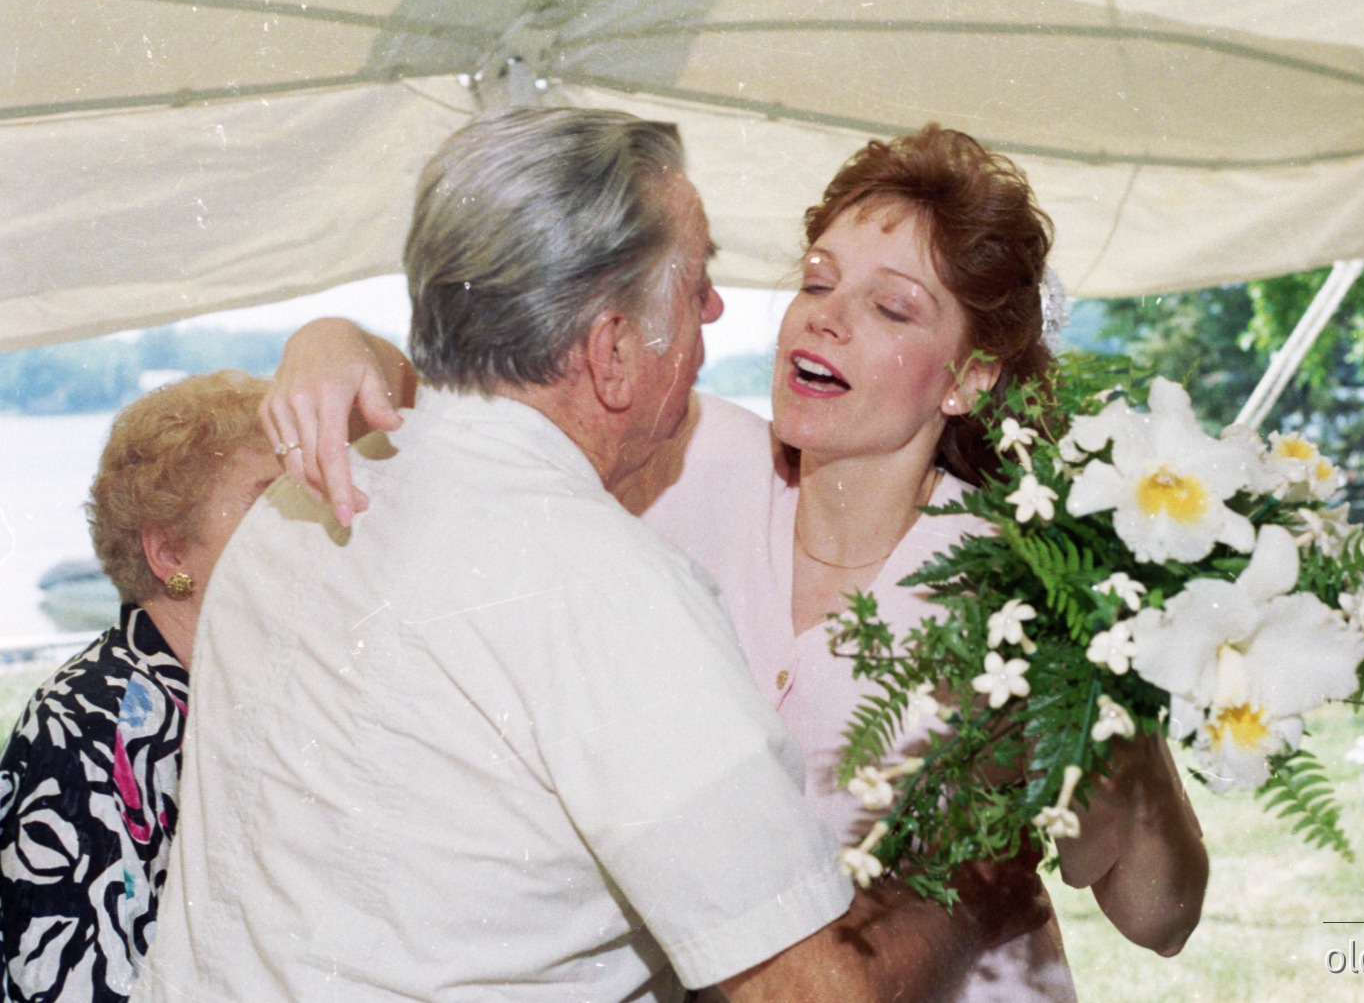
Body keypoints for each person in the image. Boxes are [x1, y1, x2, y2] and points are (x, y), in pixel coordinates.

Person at [268, 123, 1211, 998]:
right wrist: (334, 345)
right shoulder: (679, 459)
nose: (823, 319)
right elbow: (506, 395)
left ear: (969, 377)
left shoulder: (1019, 585)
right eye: (815, 280)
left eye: (887, 306)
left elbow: (1160, 917)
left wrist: (1112, 701)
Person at [0, 370, 279, 1003]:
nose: (304, 528)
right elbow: (70, 984)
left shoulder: (246, 689)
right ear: (171, 555)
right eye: (269, 503)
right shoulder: (89, 723)